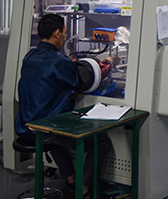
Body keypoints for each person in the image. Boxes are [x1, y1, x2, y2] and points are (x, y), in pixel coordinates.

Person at [15, 13, 120, 198]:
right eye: (64, 32)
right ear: (57, 33)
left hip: (25, 126)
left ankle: (71, 179)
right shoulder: (58, 61)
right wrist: (108, 62)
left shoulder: (29, 56)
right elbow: (84, 80)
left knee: (55, 138)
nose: (65, 36)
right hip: (45, 130)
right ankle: (84, 187)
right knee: (99, 140)